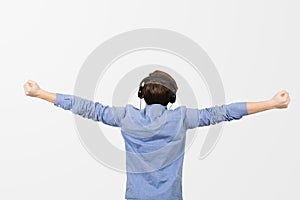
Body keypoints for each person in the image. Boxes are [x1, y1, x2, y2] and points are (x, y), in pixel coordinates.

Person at [23, 70, 290, 200]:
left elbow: (86, 107)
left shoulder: (126, 116)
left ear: (142, 95)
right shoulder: (180, 117)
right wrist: (271, 103)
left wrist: (40, 93)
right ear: (171, 98)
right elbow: (224, 112)